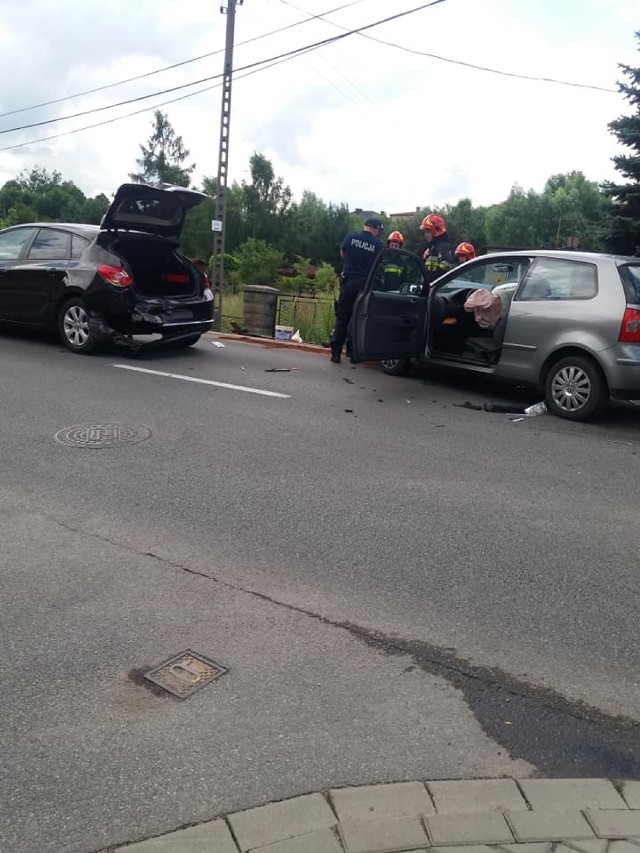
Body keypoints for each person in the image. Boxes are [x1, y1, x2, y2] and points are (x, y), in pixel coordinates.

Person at [330, 216, 384, 363]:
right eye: (379, 230)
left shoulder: (351, 237)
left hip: (348, 282)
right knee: (359, 318)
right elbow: (378, 266)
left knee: (343, 317)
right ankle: (353, 353)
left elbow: (343, 254)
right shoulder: (378, 245)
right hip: (364, 286)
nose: (379, 233)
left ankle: (335, 353)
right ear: (375, 228)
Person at [420, 213, 454, 284]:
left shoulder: (442, 248)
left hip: (437, 291)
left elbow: (446, 268)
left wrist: (431, 281)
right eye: (425, 232)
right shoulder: (432, 248)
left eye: (428, 232)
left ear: (437, 231)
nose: (425, 235)